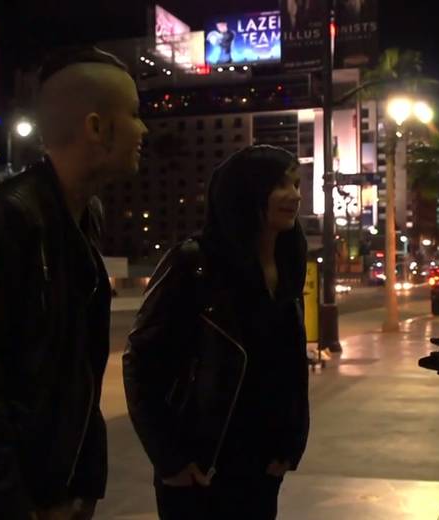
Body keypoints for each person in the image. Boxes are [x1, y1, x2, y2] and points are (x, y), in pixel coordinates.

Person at [0, 46, 148, 520]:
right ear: (96, 127)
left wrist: (85, 484)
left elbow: (78, 371)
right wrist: (12, 508)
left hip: (56, 486)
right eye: (134, 114)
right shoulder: (7, 218)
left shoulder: (86, 214)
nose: (143, 130)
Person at [124, 145, 310, 519]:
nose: (294, 195)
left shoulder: (289, 263)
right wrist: (170, 459)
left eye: (296, 184)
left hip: (262, 465)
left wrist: (291, 442)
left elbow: (289, 365)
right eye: (280, 185)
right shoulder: (194, 263)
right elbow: (141, 363)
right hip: (200, 467)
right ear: (247, 193)